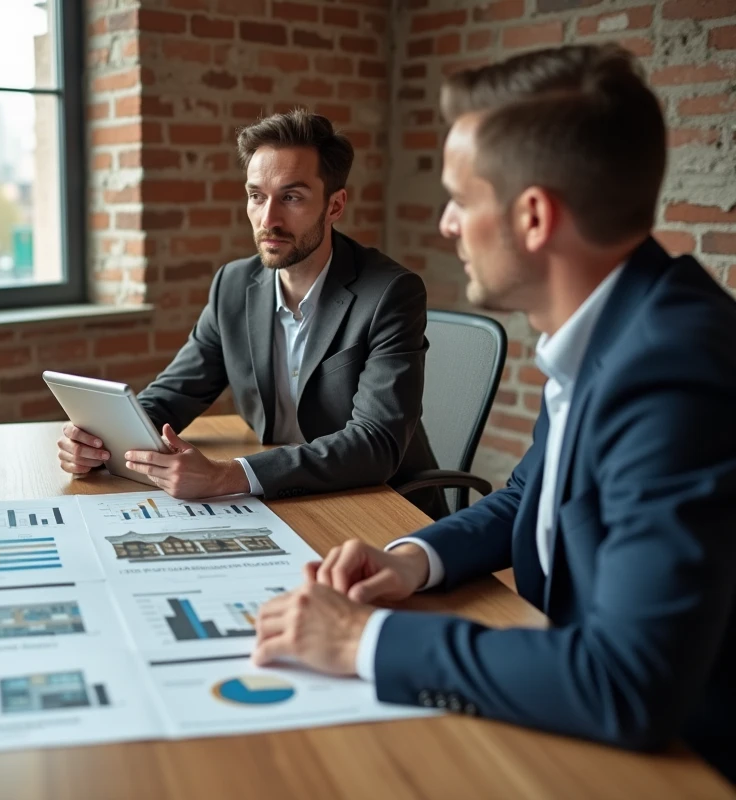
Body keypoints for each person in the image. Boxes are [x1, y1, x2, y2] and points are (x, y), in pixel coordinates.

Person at [251, 45, 736, 781]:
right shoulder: (616, 325)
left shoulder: (674, 370)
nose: (447, 224)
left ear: (534, 216)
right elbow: (527, 499)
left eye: (461, 199)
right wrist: (410, 560)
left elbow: (627, 682)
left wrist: (363, 643)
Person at [58, 110, 445, 518]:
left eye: (291, 197)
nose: (268, 219)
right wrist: (101, 442)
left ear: (335, 206)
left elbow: (374, 443)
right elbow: (174, 393)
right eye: (257, 196)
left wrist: (228, 476)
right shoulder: (234, 285)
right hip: (282, 497)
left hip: (381, 503)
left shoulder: (389, 293)